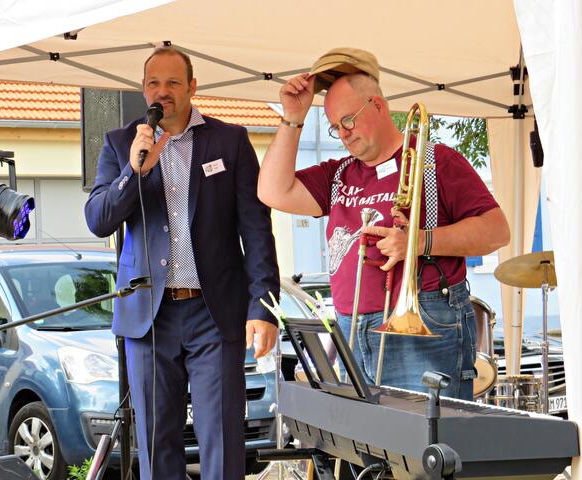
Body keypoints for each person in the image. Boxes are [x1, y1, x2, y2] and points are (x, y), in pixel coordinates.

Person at [258, 47, 510, 400]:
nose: (343, 134)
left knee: (427, 431)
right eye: (335, 127)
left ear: (377, 105)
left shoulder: (436, 161)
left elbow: (497, 230)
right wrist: (292, 118)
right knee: (367, 435)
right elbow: (272, 191)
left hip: (424, 322)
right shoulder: (339, 173)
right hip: (351, 325)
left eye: (348, 120)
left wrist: (419, 242)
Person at [85, 46, 279, 479]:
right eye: (154, 83)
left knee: (222, 443)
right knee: (157, 448)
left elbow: (256, 229)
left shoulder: (229, 141)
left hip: (214, 313)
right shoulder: (121, 144)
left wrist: (263, 307)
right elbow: (98, 219)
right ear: (143, 89)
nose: (163, 91)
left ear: (192, 86)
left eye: (173, 82)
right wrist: (133, 173)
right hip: (149, 317)